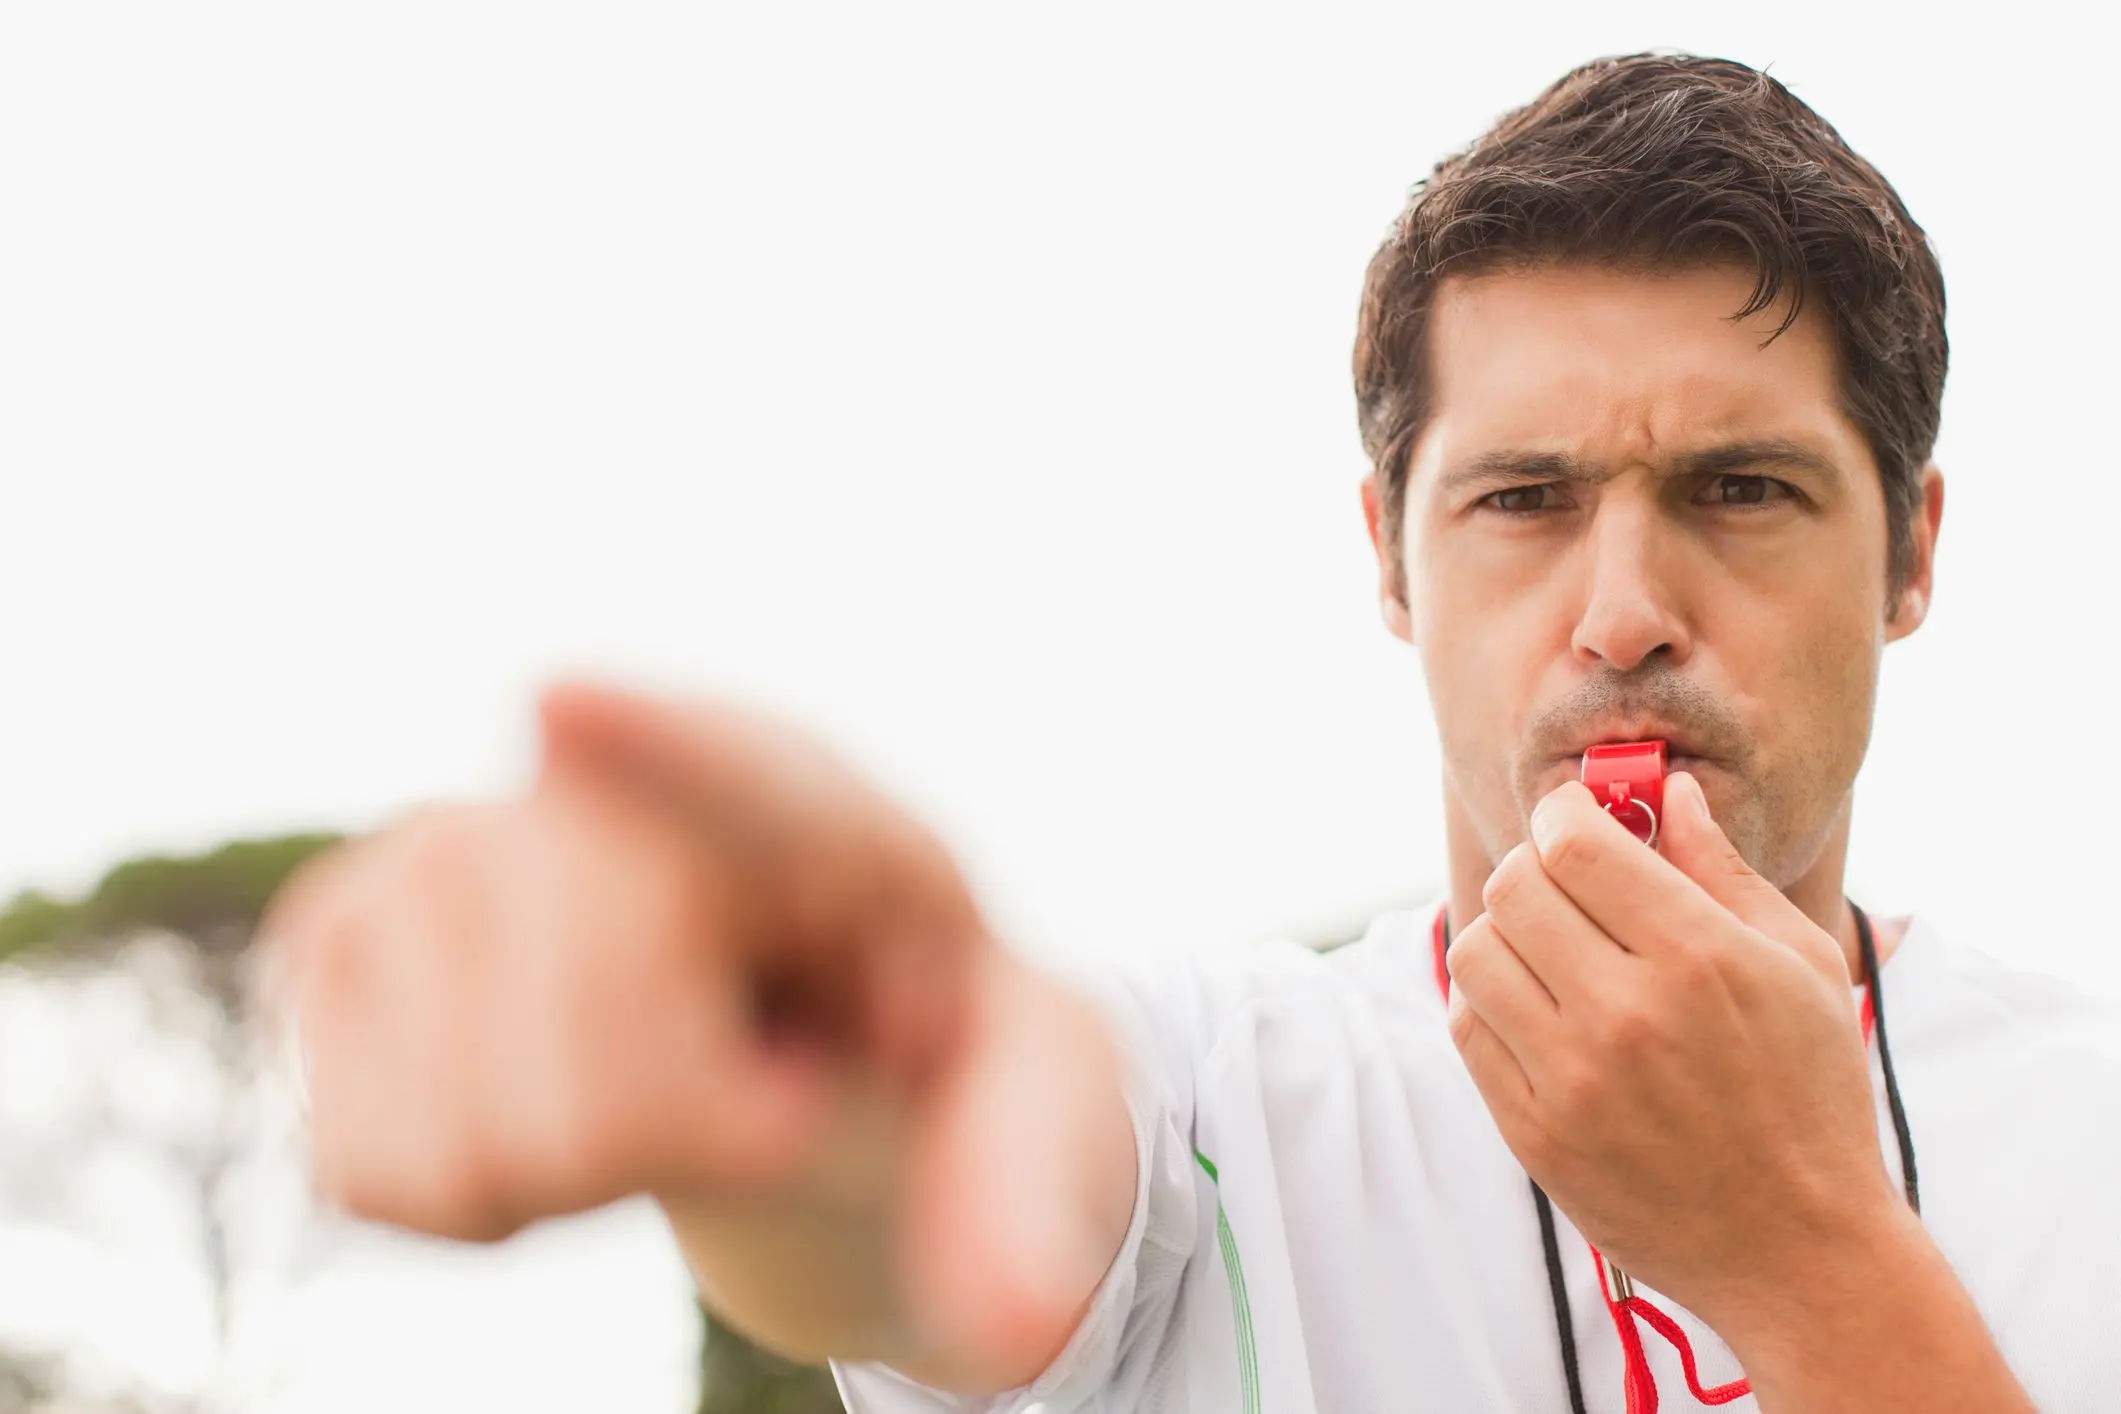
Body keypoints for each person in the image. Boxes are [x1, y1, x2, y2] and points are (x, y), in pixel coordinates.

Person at [261, 52, 2121, 1414]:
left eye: (1740, 486)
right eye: (1524, 498)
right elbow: (953, 1179)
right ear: (1389, 557)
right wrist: (805, 1068)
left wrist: (1808, 1260)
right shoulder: (1213, 1093)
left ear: (1912, 554)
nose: (1624, 606)